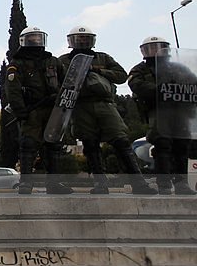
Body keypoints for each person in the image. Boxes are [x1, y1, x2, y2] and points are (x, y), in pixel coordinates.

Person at [58, 26, 155, 195]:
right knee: (90, 144)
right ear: (71, 41)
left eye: (85, 38)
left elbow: (121, 76)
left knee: (121, 141)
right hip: (80, 105)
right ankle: (101, 184)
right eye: (78, 39)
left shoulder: (103, 58)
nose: (82, 41)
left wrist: (97, 70)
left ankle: (138, 183)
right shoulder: (64, 60)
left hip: (105, 103)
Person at [6, 27, 73, 194]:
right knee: (28, 145)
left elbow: (67, 82)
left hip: (53, 109)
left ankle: (54, 183)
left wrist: (62, 101)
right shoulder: (17, 63)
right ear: (24, 41)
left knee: (54, 145)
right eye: (31, 38)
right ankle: (26, 183)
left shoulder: (53, 61)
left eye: (38, 38)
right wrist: (20, 110)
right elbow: (12, 89)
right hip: (32, 110)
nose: (35, 41)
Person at [128, 36, 196, 195]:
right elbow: (136, 85)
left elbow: (193, 82)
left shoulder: (178, 68)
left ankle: (182, 184)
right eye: (151, 48)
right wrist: (160, 89)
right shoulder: (140, 70)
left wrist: (180, 86)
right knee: (162, 144)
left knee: (182, 145)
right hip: (158, 111)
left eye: (159, 47)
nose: (155, 51)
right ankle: (164, 183)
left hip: (180, 110)